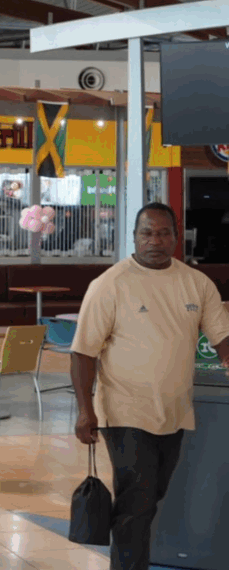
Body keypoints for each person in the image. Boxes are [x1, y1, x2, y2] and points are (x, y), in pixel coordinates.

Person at [70, 202, 229, 570]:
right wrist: (84, 410)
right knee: (138, 500)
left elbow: (222, 339)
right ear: (134, 237)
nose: (154, 241)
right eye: (146, 233)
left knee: (149, 497)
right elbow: (82, 353)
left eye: (162, 233)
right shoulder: (111, 284)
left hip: (174, 411)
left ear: (176, 237)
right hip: (125, 411)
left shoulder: (196, 282)